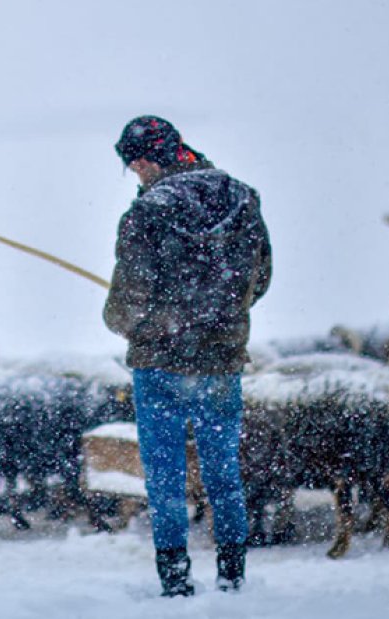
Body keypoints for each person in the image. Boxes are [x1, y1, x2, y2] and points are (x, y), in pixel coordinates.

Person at [104, 115, 271, 597]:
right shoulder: (242, 198)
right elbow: (260, 279)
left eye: (135, 166)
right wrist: (216, 315)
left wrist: (131, 322)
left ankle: (175, 580)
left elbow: (128, 301)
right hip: (221, 359)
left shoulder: (145, 213)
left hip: (160, 363)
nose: (136, 175)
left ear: (144, 160)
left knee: (165, 476)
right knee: (224, 471)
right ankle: (233, 574)